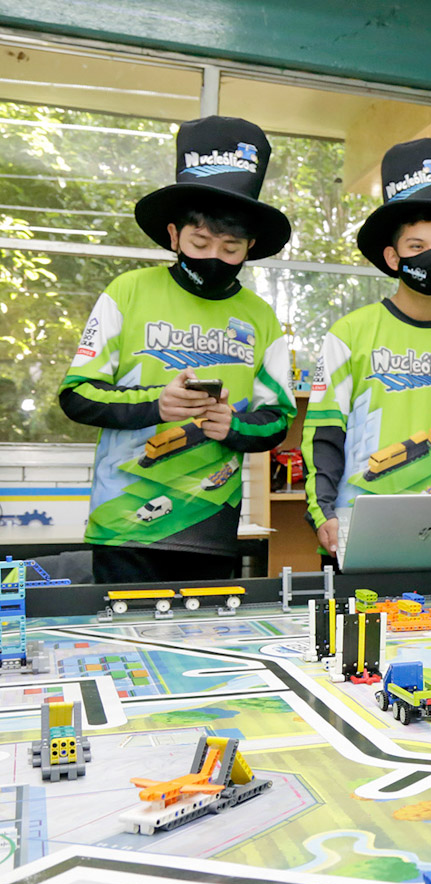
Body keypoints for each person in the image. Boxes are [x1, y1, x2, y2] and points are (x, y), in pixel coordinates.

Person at [59, 116, 295, 584]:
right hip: (122, 529)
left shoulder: (262, 317)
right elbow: (77, 395)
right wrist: (157, 404)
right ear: (173, 236)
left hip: (211, 526)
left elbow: (277, 422)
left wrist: (233, 426)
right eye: (199, 242)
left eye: (230, 248)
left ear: (249, 248)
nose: (214, 256)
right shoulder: (127, 292)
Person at [302, 139, 431, 564]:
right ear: (392, 258)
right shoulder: (349, 333)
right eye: (416, 246)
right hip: (356, 529)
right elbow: (323, 434)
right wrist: (323, 512)